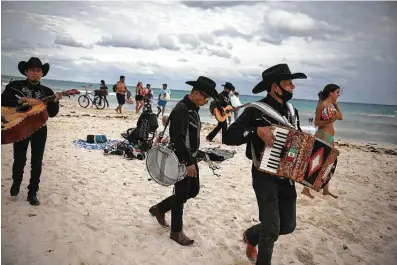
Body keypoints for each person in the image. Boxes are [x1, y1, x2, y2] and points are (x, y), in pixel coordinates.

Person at [223, 64, 307, 265]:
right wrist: (255, 131)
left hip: (287, 177)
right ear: (275, 87)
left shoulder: (291, 111)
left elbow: (297, 139)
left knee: (287, 225)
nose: (293, 87)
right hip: (263, 176)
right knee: (271, 229)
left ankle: (251, 236)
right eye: (288, 83)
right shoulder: (255, 110)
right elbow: (228, 136)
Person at [149, 76, 219, 246]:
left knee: (193, 191)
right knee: (181, 196)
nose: (206, 101)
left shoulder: (192, 108)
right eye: (206, 97)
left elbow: (190, 135)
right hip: (181, 159)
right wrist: (188, 162)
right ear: (196, 93)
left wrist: (197, 155)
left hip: (191, 157)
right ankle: (176, 232)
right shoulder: (182, 109)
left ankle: (160, 208)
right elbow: (178, 139)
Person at [1, 57, 62, 205]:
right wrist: (19, 102)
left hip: (40, 129)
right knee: (19, 158)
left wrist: (55, 101)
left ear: (42, 73)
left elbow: (52, 113)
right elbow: (3, 101)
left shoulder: (47, 91)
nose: (35, 73)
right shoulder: (15, 86)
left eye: (38, 70)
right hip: (19, 126)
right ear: (26, 72)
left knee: (37, 161)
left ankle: (32, 192)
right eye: (32, 70)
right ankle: (16, 185)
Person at [301, 84, 343, 199]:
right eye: (337, 92)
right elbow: (317, 123)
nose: (338, 95)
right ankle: (305, 189)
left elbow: (340, 117)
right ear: (331, 92)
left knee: (329, 163)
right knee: (316, 162)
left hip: (329, 137)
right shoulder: (322, 105)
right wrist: (329, 120)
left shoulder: (331, 105)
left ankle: (325, 190)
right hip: (323, 135)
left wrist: (336, 105)